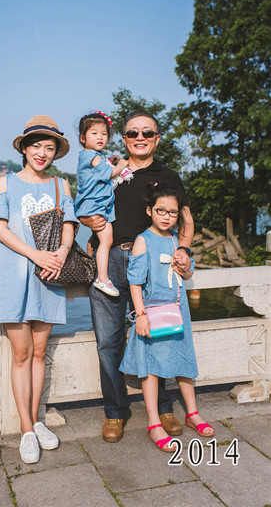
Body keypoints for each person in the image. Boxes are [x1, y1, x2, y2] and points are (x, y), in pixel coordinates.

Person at [79, 112, 194, 443]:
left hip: (154, 264)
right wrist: (88, 222)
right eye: (132, 133)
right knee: (108, 342)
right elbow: (84, 205)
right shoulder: (108, 171)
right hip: (110, 261)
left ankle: (164, 408)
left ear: (157, 138)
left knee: (160, 335)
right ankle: (116, 411)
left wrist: (183, 251)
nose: (139, 137)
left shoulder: (168, 176)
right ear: (124, 138)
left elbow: (185, 220)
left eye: (147, 132)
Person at [0, 115, 77, 464]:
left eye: (49, 147)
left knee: (40, 353)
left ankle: (37, 421)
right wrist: (36, 254)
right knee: (21, 355)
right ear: (24, 148)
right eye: (36, 146)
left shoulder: (60, 185)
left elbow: (69, 226)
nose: (42, 153)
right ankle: (27, 428)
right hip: (13, 275)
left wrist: (61, 254)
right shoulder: (4, 184)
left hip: (49, 277)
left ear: (56, 153)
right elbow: (1, 230)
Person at [120, 182, 214, 452]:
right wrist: (140, 315)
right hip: (151, 312)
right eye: (160, 210)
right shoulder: (142, 240)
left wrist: (184, 265)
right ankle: (153, 422)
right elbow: (134, 282)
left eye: (172, 213)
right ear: (150, 210)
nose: (166, 216)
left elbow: (187, 275)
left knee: (184, 360)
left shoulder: (177, 240)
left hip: (177, 309)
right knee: (150, 368)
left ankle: (192, 413)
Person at [74, 111, 131, 297]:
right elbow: (108, 173)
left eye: (104, 134)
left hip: (96, 204)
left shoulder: (92, 155)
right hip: (95, 204)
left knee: (101, 239)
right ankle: (102, 278)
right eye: (94, 133)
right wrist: (122, 165)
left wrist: (111, 162)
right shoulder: (91, 155)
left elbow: (102, 168)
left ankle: (96, 272)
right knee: (106, 240)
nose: (100, 137)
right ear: (83, 138)